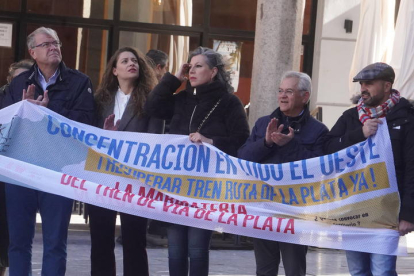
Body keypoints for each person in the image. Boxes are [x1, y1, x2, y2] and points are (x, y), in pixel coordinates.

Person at [145, 46, 250, 276]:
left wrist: (210, 141)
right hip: (177, 186)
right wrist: (174, 78)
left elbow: (241, 141)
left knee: (197, 249)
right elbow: (152, 106)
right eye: (190, 66)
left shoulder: (230, 103)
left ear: (213, 72)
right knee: (175, 250)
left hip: (206, 188)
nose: (192, 70)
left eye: (198, 66)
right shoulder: (182, 99)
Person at [2, 27, 95, 276]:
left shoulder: (79, 81)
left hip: (58, 170)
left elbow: (86, 123)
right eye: (46, 44)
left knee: (55, 243)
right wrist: (25, 110)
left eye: (56, 43)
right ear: (33, 52)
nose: (54, 47)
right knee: (18, 242)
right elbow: (4, 125)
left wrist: (47, 112)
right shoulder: (19, 84)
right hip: (21, 171)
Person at [324, 62, 414, 276]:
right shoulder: (351, 117)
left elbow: (412, 167)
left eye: (369, 83)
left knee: (382, 271)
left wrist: (409, 213)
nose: (363, 88)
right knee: (358, 271)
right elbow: (327, 150)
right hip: (353, 208)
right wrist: (359, 134)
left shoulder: (407, 118)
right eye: (361, 83)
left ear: (386, 86)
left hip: (387, 211)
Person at [238, 71, 328, 276]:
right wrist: (266, 143)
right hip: (263, 206)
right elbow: (242, 157)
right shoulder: (263, 123)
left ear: (305, 97)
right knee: (265, 269)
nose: (282, 96)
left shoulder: (318, 130)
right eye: (280, 91)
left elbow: (319, 168)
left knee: (294, 269)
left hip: (295, 210)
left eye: (289, 91)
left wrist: (290, 145)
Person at [88, 47, 164, 276]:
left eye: (135, 61)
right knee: (101, 242)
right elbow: (89, 137)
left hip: (135, 180)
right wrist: (105, 134)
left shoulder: (152, 100)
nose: (131, 63)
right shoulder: (100, 101)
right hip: (103, 178)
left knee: (134, 242)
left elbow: (154, 140)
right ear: (114, 70)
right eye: (125, 60)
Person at [0, 59, 34, 276]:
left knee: (15, 236)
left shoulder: (39, 103)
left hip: (22, 177)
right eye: (18, 79)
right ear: (9, 80)